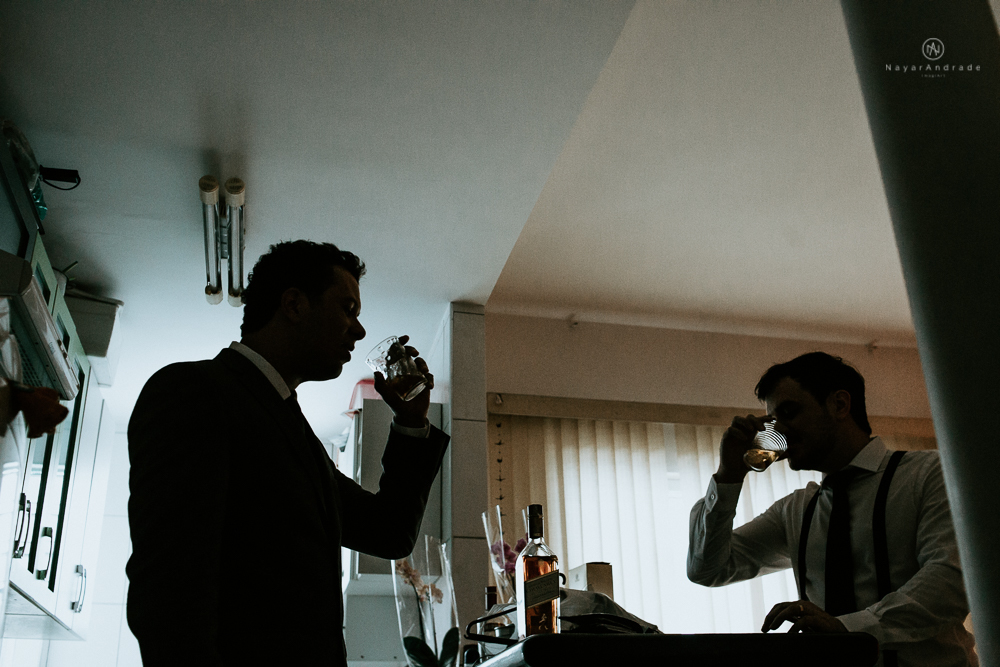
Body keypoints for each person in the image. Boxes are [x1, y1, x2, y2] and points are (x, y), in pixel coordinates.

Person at [126, 240, 449, 666]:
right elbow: (171, 595)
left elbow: (388, 532)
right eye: (347, 308)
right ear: (294, 304)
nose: (360, 330)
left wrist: (410, 423)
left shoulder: (299, 440)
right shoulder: (194, 392)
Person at [687, 352, 976, 667]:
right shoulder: (795, 510)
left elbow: (952, 580)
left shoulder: (931, 473)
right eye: (772, 421)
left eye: (789, 412)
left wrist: (847, 628)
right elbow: (707, 568)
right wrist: (728, 475)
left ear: (840, 404)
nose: (777, 433)